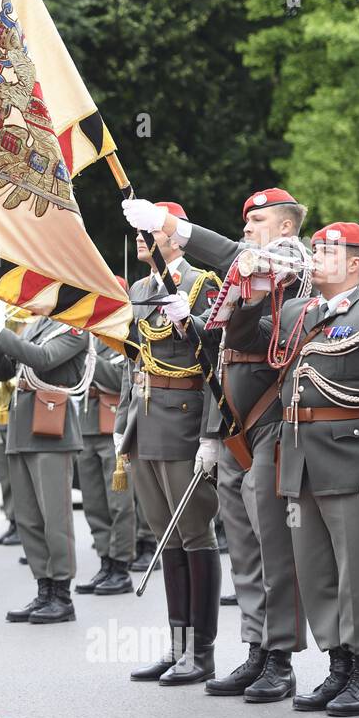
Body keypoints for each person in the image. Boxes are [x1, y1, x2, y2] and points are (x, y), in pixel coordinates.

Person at [124, 189, 307, 700]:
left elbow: (233, 260)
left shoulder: (294, 260)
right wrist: (194, 322)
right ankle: (254, 648)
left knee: (273, 549)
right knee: (245, 549)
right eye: (245, 220)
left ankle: (280, 658)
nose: (248, 228)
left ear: (287, 227)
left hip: (267, 421)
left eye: (260, 220)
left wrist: (173, 225)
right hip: (231, 424)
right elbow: (219, 350)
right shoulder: (242, 275)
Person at [230, 222, 359, 715]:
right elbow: (245, 340)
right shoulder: (296, 312)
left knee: (358, 572)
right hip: (300, 460)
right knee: (315, 570)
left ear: (354, 262)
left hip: (351, 463)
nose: (315, 258)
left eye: (327, 252)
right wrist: (252, 288)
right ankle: (338, 666)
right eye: (315, 250)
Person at [116, 202, 222, 682]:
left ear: (175, 238)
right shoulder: (140, 289)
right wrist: (124, 421)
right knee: (166, 535)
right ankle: (178, 643)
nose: (140, 239)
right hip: (146, 420)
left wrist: (210, 434)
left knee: (195, 532)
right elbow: (133, 361)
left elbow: (218, 355)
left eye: (150, 232)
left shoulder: (203, 285)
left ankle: (202, 652)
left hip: (183, 420)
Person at [0, 299, 90, 624]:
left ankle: (62, 594)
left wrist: (2, 332)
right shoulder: (34, 326)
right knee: (28, 518)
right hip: (23, 427)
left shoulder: (74, 327)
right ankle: (44, 588)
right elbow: (5, 372)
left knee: (55, 517)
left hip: (51, 427)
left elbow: (43, 359)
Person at [74, 311, 135, 597]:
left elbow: (115, 378)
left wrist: (86, 357)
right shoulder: (88, 338)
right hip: (86, 424)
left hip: (112, 426)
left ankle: (120, 566)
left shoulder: (124, 337)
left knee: (119, 504)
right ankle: (105, 561)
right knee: (94, 502)